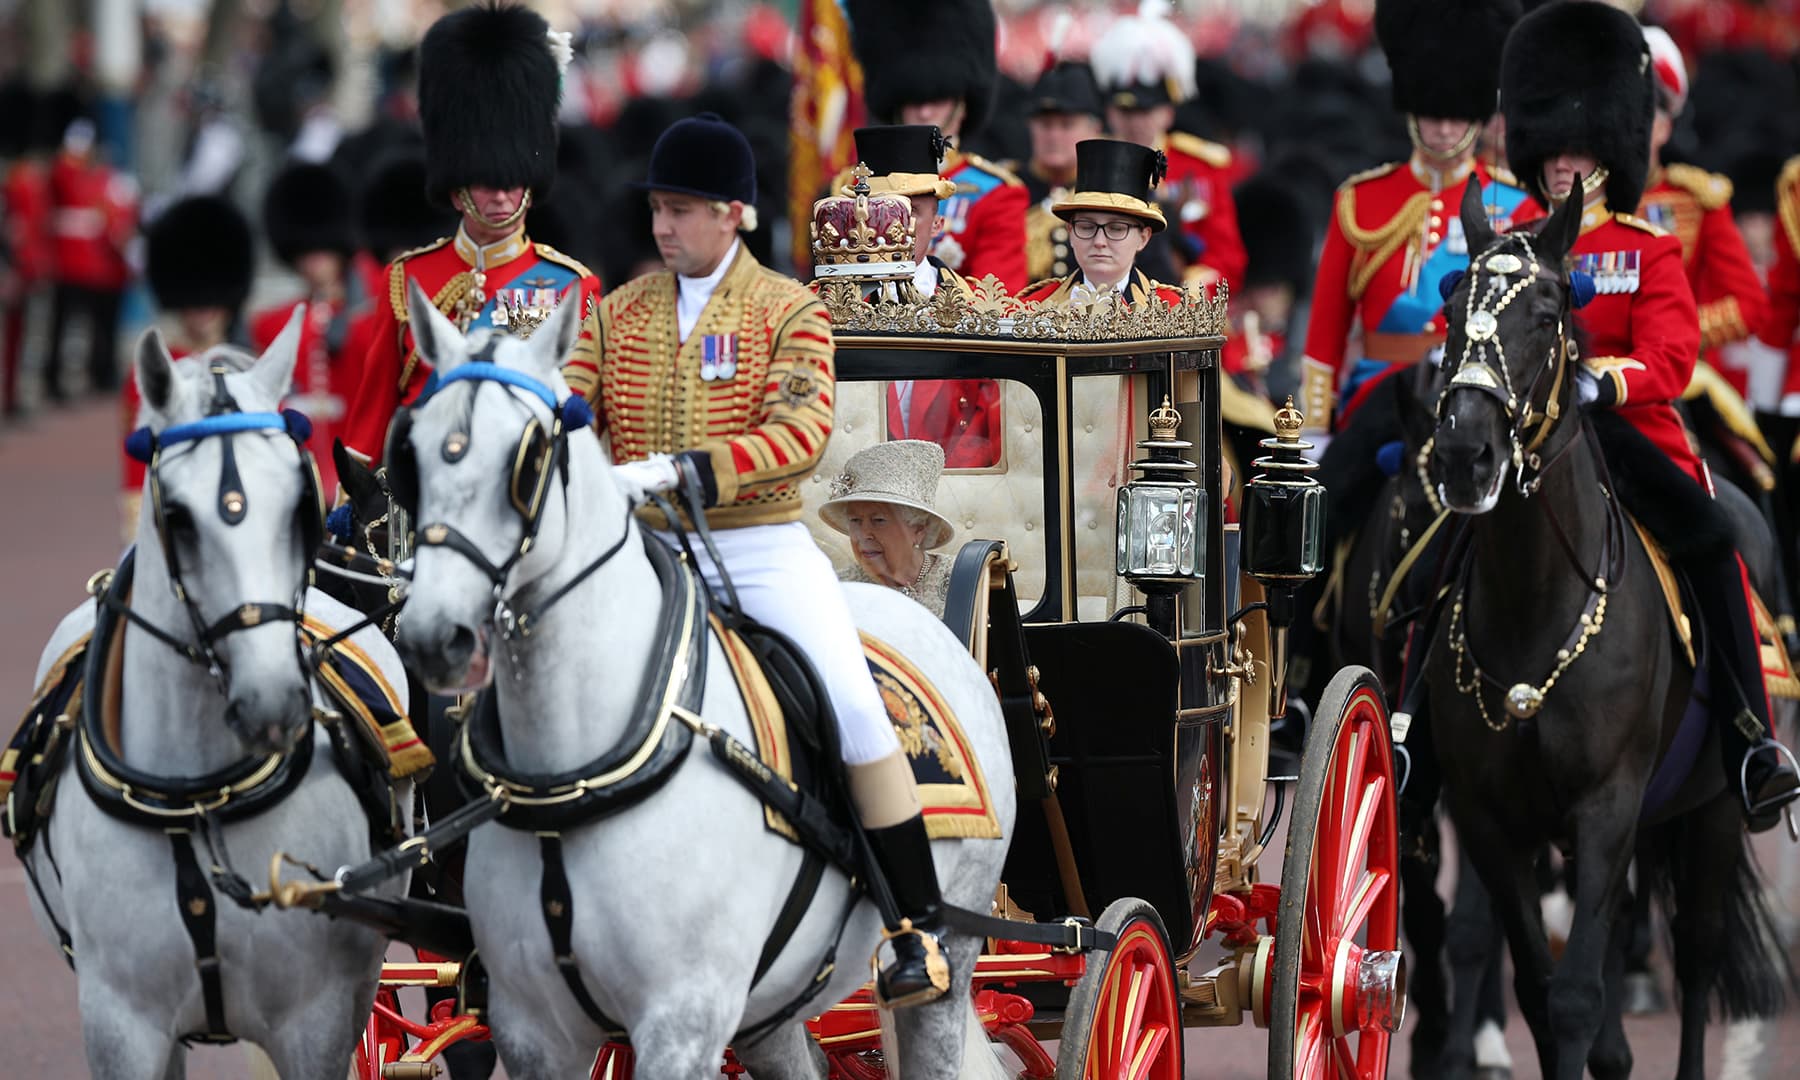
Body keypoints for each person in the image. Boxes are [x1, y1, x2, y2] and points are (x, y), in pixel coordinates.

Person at [567, 114, 954, 1008]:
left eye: (682, 212)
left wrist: (690, 471)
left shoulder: (790, 309)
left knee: (854, 703)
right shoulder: (614, 312)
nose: (664, 228)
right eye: (659, 211)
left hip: (756, 544)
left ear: (733, 213)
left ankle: (914, 925)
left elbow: (803, 431)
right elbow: (568, 402)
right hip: (641, 545)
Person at [1501, 0, 1799, 829]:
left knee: (1713, 542)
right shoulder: (1515, 242)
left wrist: (1604, 384)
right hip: (1531, 437)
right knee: (1442, 549)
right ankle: (1415, 738)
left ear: (1611, 152)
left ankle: (1753, 740)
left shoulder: (1650, 245)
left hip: (1625, 433)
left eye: (1580, 150)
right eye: (1551, 152)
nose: (1563, 165)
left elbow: (1674, 357)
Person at [338, 2, 601, 479]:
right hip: (416, 491)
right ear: (456, 188)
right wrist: (354, 501)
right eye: (486, 182)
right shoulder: (407, 278)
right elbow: (374, 411)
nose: (501, 195)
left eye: (512, 180)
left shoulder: (571, 287)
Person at [1300, 0, 1523, 441]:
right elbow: (1326, 331)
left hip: (1476, 400)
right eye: (1432, 114)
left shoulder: (1516, 203)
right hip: (1376, 399)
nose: (1443, 129)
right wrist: (1315, 425)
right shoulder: (1360, 199)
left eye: (1456, 115)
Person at [835, 123, 1001, 469]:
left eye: (911, 213)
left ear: (938, 225)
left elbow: (989, 418)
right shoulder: (828, 306)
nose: (897, 228)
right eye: (884, 210)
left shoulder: (975, 307)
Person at [846, 0, 1029, 292]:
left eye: (938, 100)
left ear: (962, 106)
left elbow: (997, 300)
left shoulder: (996, 194)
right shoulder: (851, 188)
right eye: (914, 100)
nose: (925, 113)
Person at [1635, 26, 1767, 396]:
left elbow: (1750, 306)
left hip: (1680, 378)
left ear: (1663, 126)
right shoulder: (1578, 200)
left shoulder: (1695, 198)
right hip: (1590, 376)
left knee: (1748, 453)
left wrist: (1678, 330)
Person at [117, 196, 256, 537]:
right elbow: (139, 457)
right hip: (175, 516)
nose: (202, 310)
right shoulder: (154, 369)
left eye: (210, 300)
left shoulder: (251, 365)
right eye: (193, 302)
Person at [1089, 2, 1246, 291]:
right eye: (1126, 112)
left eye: (1145, 112)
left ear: (1168, 112)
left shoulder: (1199, 167)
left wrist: (1183, 292)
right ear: (1110, 112)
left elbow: (1227, 257)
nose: (1135, 123)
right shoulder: (1090, 164)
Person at [251, 162, 360, 496]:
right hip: (296, 477)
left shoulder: (365, 321)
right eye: (307, 253)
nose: (315, 262)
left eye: (322, 251)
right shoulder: (271, 325)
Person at [1016, 139, 1185, 307]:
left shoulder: (1175, 312)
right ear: (1070, 232)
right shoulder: (1031, 308)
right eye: (1086, 227)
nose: (1099, 242)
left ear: (1143, 238)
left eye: (1117, 229)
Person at [45, 113, 136, 399]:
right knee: (62, 323)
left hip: (95, 263)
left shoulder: (101, 178)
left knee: (96, 324)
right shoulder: (65, 172)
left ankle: (98, 372)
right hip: (68, 263)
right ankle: (55, 378)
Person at [819, 440, 959, 617]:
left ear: (918, 531)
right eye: (855, 521)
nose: (863, 535)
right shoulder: (841, 588)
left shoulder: (960, 578)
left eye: (878, 520)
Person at [1017, 61, 1104, 284]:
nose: (1054, 136)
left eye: (1066, 125)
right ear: (1030, 127)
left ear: (1094, 130)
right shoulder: (1009, 189)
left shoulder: (1110, 192)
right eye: (1045, 125)